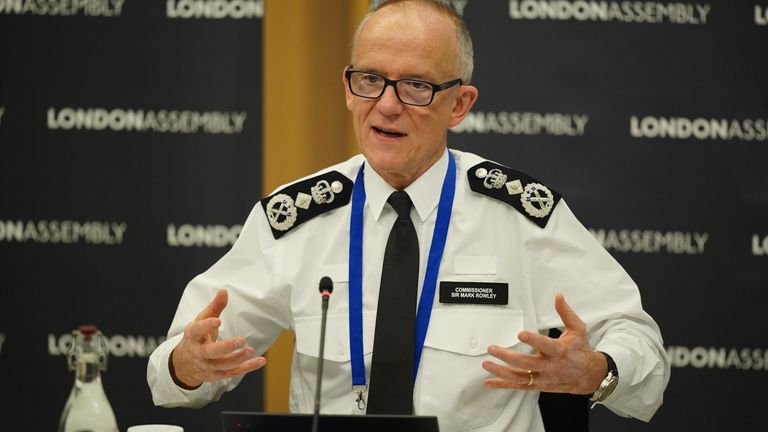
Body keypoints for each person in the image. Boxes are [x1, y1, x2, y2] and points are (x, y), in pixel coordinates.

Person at [147, 1, 670, 430]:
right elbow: (173, 371)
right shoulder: (297, 218)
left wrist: (597, 371)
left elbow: (639, 341)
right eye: (370, 79)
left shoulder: (519, 215)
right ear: (348, 86)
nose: (387, 105)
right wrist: (189, 367)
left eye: (416, 85)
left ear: (460, 104)